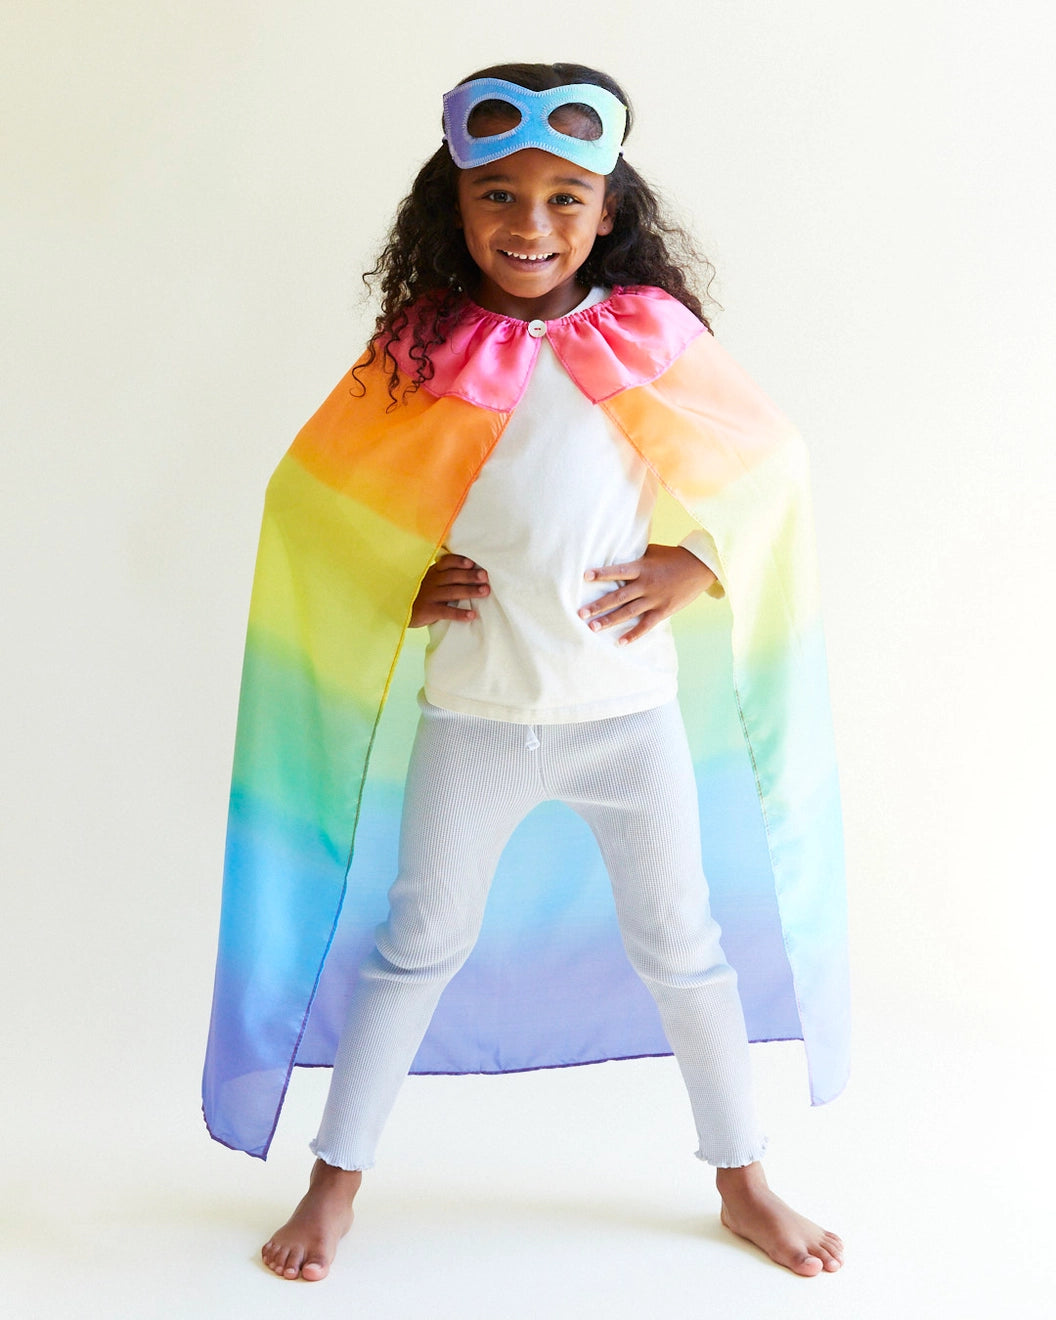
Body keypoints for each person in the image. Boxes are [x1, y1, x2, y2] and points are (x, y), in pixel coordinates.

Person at [205, 60, 848, 1283]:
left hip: (627, 715)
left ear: (610, 211)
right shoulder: (426, 346)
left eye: (565, 197)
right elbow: (317, 500)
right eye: (499, 194)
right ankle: (333, 1185)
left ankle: (743, 1176)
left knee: (682, 942)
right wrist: (396, 578)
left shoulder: (651, 337)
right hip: (479, 715)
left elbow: (772, 472)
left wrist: (696, 564)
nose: (531, 224)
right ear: (453, 206)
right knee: (419, 942)